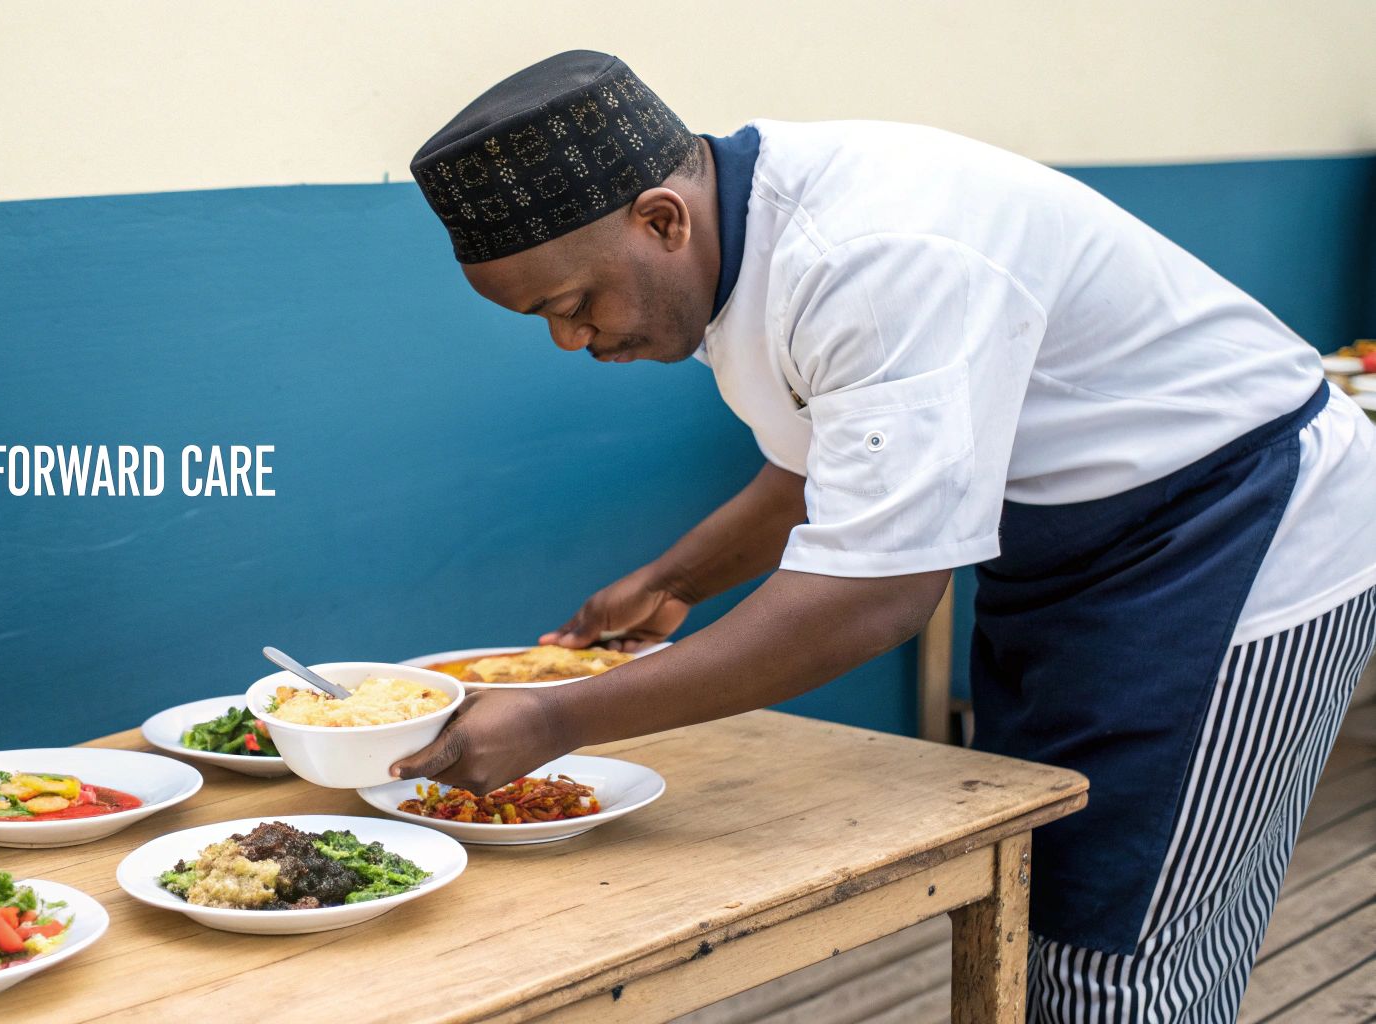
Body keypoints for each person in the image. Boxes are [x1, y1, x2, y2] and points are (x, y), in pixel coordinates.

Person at [392, 50, 1376, 1023]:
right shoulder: (741, 243)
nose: (570, 340)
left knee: (1122, 947)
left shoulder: (870, 253)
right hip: (1080, 559)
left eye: (572, 304)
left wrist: (557, 719)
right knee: (1052, 885)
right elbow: (823, 465)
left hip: (1235, 530)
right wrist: (674, 580)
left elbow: (874, 595)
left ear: (660, 220)